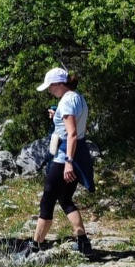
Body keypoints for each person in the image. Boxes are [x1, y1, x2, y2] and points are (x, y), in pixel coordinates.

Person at [31, 68, 95, 255]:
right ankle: (84, 243)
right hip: (78, 156)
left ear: (59, 84)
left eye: (51, 87)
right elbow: (74, 126)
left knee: (47, 201)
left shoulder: (66, 101)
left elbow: (71, 134)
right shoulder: (77, 98)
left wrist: (68, 162)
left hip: (63, 158)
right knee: (66, 199)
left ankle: (35, 245)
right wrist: (56, 116)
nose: (50, 91)